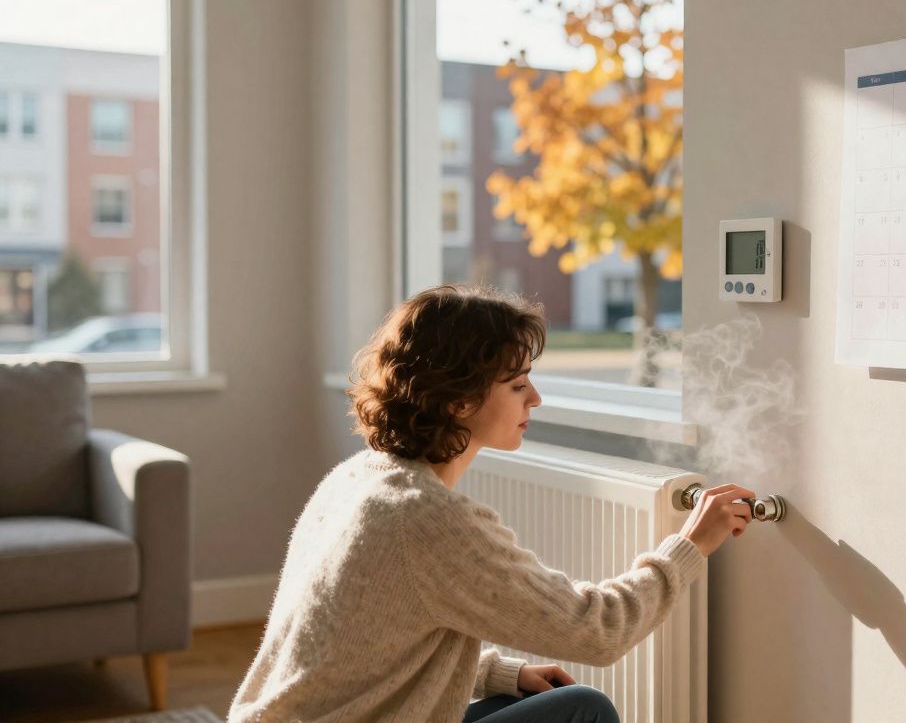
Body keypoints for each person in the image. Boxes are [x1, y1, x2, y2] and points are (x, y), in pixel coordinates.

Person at [228, 284, 754, 723]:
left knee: (536, 699)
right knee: (584, 711)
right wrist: (690, 545)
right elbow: (599, 629)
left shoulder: (355, 479)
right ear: (460, 398)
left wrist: (500, 673)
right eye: (518, 385)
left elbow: (363, 650)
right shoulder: (424, 519)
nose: (535, 398)